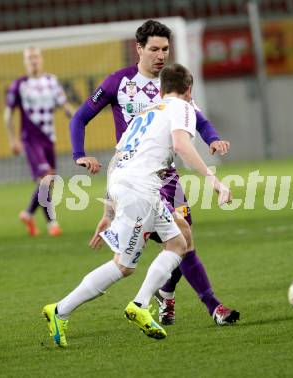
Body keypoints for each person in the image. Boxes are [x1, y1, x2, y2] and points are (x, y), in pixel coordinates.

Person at [42, 63, 232, 347]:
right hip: (140, 190)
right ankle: (60, 310)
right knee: (123, 266)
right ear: (188, 90)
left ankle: (141, 303)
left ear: (162, 88)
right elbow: (181, 146)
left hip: (128, 185)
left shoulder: (146, 112)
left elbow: (118, 158)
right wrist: (213, 180)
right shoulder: (183, 108)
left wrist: (109, 209)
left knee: (180, 241)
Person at [70, 20, 239, 325]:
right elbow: (79, 118)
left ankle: (208, 305)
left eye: (165, 49)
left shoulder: (171, 86)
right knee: (153, 252)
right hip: (134, 177)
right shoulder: (118, 82)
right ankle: (155, 297)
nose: (161, 55)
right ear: (139, 49)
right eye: (155, 49)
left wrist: (213, 139)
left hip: (167, 177)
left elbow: (198, 119)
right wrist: (79, 155)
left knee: (182, 241)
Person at [4, 47, 75, 236]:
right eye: (29, 58)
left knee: (47, 181)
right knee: (45, 178)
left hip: (49, 138)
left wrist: (77, 117)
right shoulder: (20, 85)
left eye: (35, 57)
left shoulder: (51, 81)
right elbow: (8, 114)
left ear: (41, 59)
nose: (33, 61)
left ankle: (28, 213)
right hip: (30, 138)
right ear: (25, 62)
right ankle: (52, 223)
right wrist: (12, 140)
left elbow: (64, 104)